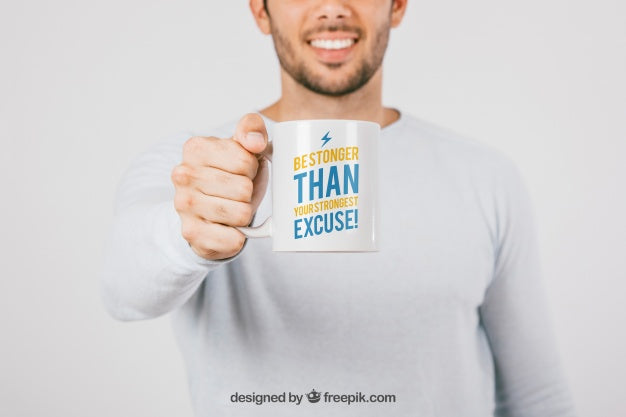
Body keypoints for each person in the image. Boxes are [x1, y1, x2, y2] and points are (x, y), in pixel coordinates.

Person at [101, 1, 576, 416]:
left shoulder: (486, 177)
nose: (332, 7)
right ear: (260, 11)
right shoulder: (194, 168)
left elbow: (536, 398)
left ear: (398, 6)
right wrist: (192, 236)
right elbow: (125, 291)